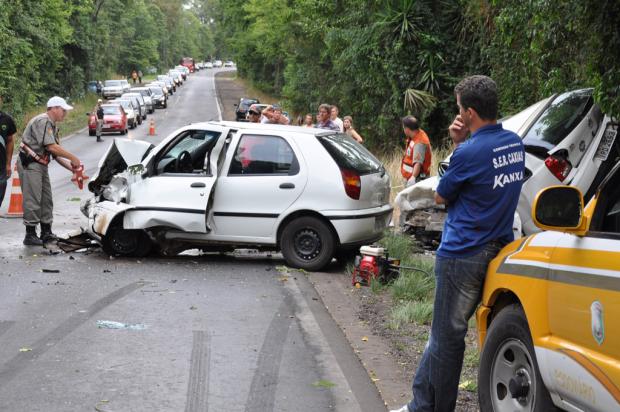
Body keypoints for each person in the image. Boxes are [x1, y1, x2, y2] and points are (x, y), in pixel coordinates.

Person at [391, 75, 525, 412]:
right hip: (497, 246)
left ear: (469, 113)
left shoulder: (470, 152)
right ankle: (420, 404)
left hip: (461, 253)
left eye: (460, 109)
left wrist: (459, 145)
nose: (458, 114)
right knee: (440, 337)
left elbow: (440, 194)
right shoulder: (513, 144)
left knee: (446, 341)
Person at [17, 96, 82, 246]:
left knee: (46, 199)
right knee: (33, 199)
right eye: (63, 110)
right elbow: (51, 147)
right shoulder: (43, 121)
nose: (65, 113)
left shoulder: (51, 125)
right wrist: (73, 157)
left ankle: (46, 232)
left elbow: (55, 154)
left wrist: (73, 168)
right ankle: (30, 234)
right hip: (30, 163)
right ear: (54, 108)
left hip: (41, 164)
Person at [400, 116, 432, 187]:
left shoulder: (419, 143)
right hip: (410, 178)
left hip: (417, 180)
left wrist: (413, 178)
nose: (403, 130)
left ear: (407, 129)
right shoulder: (415, 136)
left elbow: (418, 163)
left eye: (404, 128)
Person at [0, 95, 17, 209]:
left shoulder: (7, 119)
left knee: (2, 187)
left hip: (1, 164)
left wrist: (8, 163)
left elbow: (10, 141)